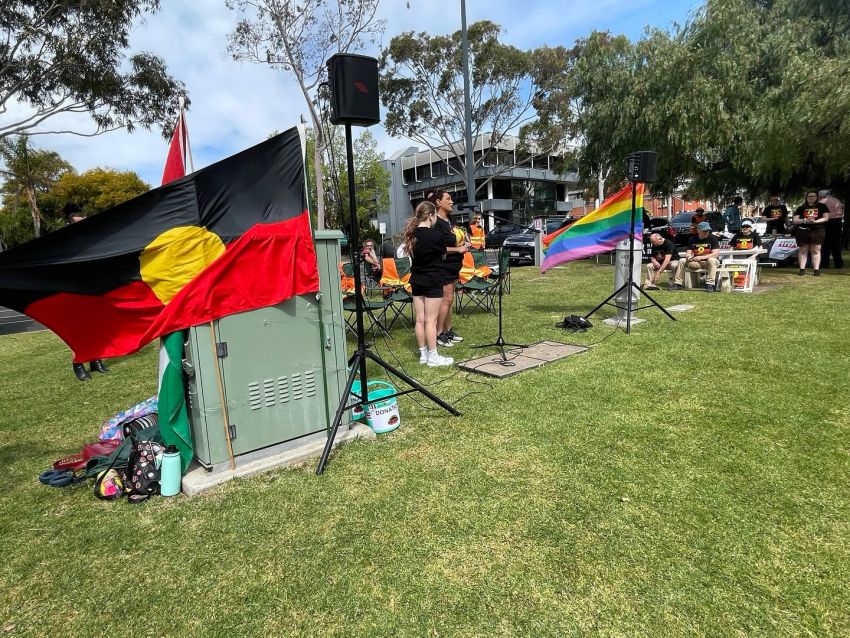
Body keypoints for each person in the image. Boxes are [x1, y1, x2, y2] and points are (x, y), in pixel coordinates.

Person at [400, 201, 453, 367]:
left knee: (420, 319)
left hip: (416, 280)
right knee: (431, 320)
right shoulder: (436, 235)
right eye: (435, 215)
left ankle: (423, 354)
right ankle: (433, 356)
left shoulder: (412, 234)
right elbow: (443, 254)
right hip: (433, 280)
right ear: (431, 215)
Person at [64, 204, 109, 381]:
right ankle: (78, 364)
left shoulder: (91, 242)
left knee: (95, 326)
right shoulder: (65, 245)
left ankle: (96, 360)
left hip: (92, 289)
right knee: (77, 330)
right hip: (72, 291)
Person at [428, 190, 468, 348]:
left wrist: (463, 245)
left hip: (454, 266)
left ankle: (448, 330)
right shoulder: (436, 222)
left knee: (449, 301)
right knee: (447, 299)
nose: (452, 202)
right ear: (438, 202)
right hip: (443, 266)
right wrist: (456, 250)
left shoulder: (451, 220)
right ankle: (439, 334)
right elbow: (436, 247)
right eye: (448, 199)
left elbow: (456, 238)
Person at [670, 221, 721, 292]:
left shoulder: (713, 238)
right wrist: (689, 256)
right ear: (698, 230)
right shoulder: (693, 239)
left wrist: (702, 257)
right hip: (697, 262)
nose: (707, 232)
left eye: (708, 231)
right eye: (704, 231)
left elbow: (715, 253)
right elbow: (688, 252)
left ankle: (710, 284)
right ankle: (678, 283)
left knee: (711, 260)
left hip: (710, 263)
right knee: (682, 260)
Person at [793, 190, 829, 276]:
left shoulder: (822, 206)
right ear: (806, 198)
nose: (811, 198)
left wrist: (816, 222)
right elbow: (795, 220)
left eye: (813, 196)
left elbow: (826, 218)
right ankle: (802, 269)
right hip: (803, 230)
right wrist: (804, 220)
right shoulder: (801, 207)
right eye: (809, 196)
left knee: (816, 250)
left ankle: (816, 270)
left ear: (817, 197)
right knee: (803, 250)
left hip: (817, 230)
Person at [818, 189, 844, 269]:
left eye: (818, 196)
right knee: (836, 243)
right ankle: (838, 263)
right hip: (838, 222)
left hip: (827, 222)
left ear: (821, 195)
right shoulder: (837, 200)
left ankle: (825, 264)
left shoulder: (821, 202)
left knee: (825, 243)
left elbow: (820, 213)